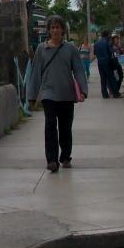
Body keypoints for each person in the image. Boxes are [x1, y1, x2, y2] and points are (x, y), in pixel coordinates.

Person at [27, 15, 88, 173]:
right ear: (49, 30)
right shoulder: (41, 49)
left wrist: (82, 91)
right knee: (50, 125)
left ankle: (66, 156)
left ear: (63, 30)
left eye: (58, 27)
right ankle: (52, 160)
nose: (55, 30)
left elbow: (79, 70)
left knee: (65, 127)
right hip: (48, 93)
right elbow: (35, 74)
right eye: (52, 27)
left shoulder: (71, 49)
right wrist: (32, 96)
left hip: (67, 94)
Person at [110, 33, 124, 98]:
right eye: (116, 39)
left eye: (118, 39)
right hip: (114, 64)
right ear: (113, 39)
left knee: (120, 77)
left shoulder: (117, 46)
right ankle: (115, 91)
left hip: (117, 63)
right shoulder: (111, 46)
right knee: (117, 77)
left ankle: (116, 91)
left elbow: (121, 52)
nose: (118, 40)